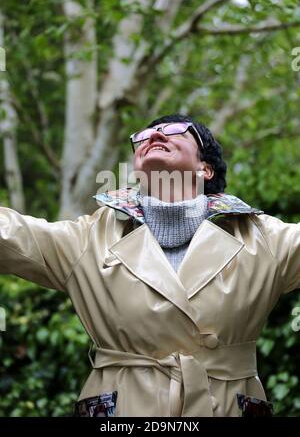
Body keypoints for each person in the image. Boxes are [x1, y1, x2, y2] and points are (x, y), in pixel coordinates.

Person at [0, 113, 299, 417]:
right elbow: (12, 236)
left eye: (173, 130)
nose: (155, 134)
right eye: (145, 134)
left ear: (205, 168)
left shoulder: (262, 240)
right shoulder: (89, 238)